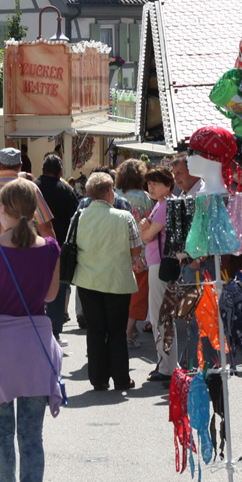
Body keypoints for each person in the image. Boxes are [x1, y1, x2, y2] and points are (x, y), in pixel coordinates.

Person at [0, 178, 62, 482]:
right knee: (31, 434)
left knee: (0, 431)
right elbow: (51, 297)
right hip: (36, 347)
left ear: (2, 210)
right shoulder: (51, 247)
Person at [72, 172, 141, 391]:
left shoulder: (79, 216)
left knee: (95, 330)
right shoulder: (124, 217)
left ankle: (98, 379)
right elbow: (136, 249)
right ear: (110, 191)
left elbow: (71, 244)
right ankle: (121, 378)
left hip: (88, 279)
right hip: (117, 280)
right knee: (117, 331)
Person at [138, 166, 177, 383]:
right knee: (162, 315)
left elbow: (146, 236)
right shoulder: (162, 204)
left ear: (167, 185)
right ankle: (166, 362)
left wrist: (145, 229)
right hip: (159, 263)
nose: (151, 188)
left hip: (159, 264)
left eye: (155, 184)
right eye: (149, 184)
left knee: (160, 315)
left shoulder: (164, 206)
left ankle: (166, 365)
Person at [36, 155, 77, 345]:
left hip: (34, 242)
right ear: (60, 171)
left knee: (36, 287)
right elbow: (75, 216)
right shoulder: (66, 190)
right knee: (58, 289)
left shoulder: (33, 187)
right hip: (59, 243)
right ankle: (54, 333)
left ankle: (36, 329)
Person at [114, 159, 153, 347]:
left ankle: (125, 330)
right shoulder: (145, 198)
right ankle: (128, 332)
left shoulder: (113, 195)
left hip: (117, 252)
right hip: (141, 253)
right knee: (137, 295)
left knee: (119, 294)